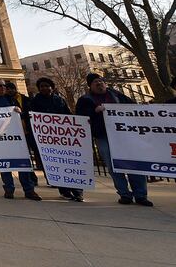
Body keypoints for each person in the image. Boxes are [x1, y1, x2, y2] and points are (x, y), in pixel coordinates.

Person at [76, 73, 152, 206]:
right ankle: (124, 194)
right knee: (113, 166)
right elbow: (80, 118)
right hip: (103, 136)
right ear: (90, 86)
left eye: (101, 81)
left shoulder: (116, 95)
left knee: (134, 164)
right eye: (95, 82)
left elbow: (132, 107)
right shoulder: (85, 100)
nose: (99, 83)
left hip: (125, 136)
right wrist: (94, 111)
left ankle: (141, 195)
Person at [0, 78, 41, 201]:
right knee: (4, 164)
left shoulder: (11, 99)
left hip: (16, 137)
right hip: (0, 138)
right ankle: (9, 189)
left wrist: (19, 111)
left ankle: (29, 190)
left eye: (4, 85)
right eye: (0, 85)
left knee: (22, 163)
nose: (3, 88)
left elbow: (24, 114)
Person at [29, 77, 82, 201]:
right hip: (47, 139)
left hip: (62, 137)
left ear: (51, 87)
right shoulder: (35, 101)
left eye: (46, 86)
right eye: (41, 86)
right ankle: (64, 190)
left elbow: (68, 115)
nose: (44, 88)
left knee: (69, 163)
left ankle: (78, 191)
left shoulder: (60, 100)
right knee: (56, 164)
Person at [5, 82, 41, 186]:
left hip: (29, 130)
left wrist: (22, 114)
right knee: (24, 156)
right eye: (8, 89)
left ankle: (46, 177)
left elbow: (31, 111)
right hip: (16, 132)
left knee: (37, 154)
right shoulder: (6, 100)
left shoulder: (24, 98)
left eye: (11, 88)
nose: (9, 91)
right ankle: (31, 178)